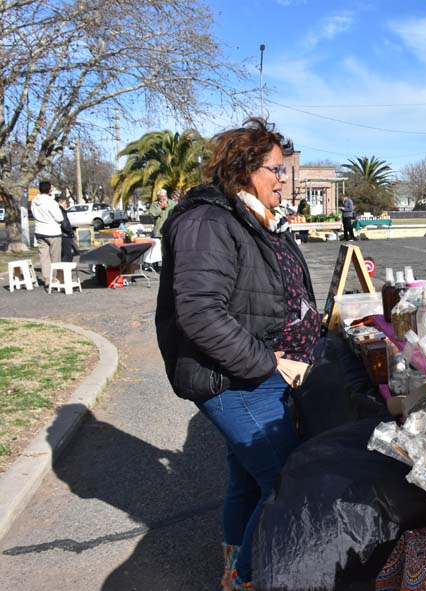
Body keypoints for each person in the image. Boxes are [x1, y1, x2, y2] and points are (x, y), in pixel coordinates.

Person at [155, 118, 320, 591]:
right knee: (287, 484)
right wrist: (269, 362)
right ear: (245, 168)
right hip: (237, 381)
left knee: (247, 481)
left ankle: (232, 565)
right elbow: (201, 314)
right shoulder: (209, 220)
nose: (284, 178)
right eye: (276, 169)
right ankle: (247, 577)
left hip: (257, 373)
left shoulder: (251, 216)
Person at [30, 180, 63, 286]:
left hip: (39, 231)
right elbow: (59, 218)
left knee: (44, 257)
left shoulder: (34, 201)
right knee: (55, 257)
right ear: (49, 190)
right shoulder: (51, 202)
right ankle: (56, 278)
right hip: (53, 232)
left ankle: (47, 279)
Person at [55, 195, 78, 262]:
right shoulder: (61, 211)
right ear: (59, 203)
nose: (66, 205)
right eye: (64, 203)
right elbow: (65, 224)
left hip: (61, 234)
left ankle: (64, 269)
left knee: (64, 253)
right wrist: (70, 232)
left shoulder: (58, 210)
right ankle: (66, 269)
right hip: (65, 235)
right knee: (67, 254)